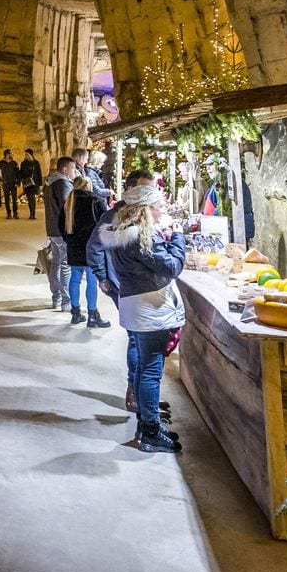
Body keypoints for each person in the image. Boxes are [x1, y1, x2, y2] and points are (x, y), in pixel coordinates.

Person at [99, 185, 186, 454]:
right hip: (150, 307)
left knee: (143, 368)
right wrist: (178, 237)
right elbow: (172, 267)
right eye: (159, 205)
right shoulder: (141, 238)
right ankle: (149, 430)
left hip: (134, 303)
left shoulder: (121, 233)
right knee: (150, 370)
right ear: (145, 209)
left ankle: (146, 425)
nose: (163, 209)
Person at [86, 170, 162, 415]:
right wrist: (102, 277)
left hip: (141, 286)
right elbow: (94, 246)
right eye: (144, 190)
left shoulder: (144, 215)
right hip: (126, 287)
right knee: (137, 340)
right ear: (130, 190)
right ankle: (135, 393)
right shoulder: (115, 216)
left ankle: (143, 394)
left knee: (142, 340)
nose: (149, 197)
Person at [62, 176, 109, 328]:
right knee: (91, 280)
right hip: (91, 246)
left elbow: (60, 225)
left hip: (74, 246)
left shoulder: (68, 202)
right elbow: (105, 221)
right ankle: (93, 315)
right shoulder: (95, 200)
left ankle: (75, 313)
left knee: (74, 278)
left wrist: (69, 240)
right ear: (88, 186)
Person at [42, 157, 76, 310]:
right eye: (73, 169)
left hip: (52, 228)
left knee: (56, 263)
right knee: (65, 265)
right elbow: (68, 206)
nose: (74, 172)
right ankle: (66, 301)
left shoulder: (50, 182)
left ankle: (56, 297)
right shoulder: (63, 183)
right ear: (65, 169)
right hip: (62, 230)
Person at [0, 148, 21, 219]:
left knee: (14, 199)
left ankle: (15, 213)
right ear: (7, 155)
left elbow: (18, 173)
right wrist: (0, 179)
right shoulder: (1, 163)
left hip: (13, 183)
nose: (12, 154)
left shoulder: (14, 163)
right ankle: (8, 213)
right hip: (5, 183)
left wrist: (18, 182)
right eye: (10, 153)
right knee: (6, 199)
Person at [19, 148, 43, 220]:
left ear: (30, 155)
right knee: (29, 198)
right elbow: (21, 173)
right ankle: (31, 213)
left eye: (26, 154)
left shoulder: (36, 163)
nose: (25, 155)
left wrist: (40, 184)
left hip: (34, 183)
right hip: (26, 183)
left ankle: (33, 214)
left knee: (32, 198)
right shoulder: (23, 163)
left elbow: (39, 173)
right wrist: (20, 180)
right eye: (25, 154)